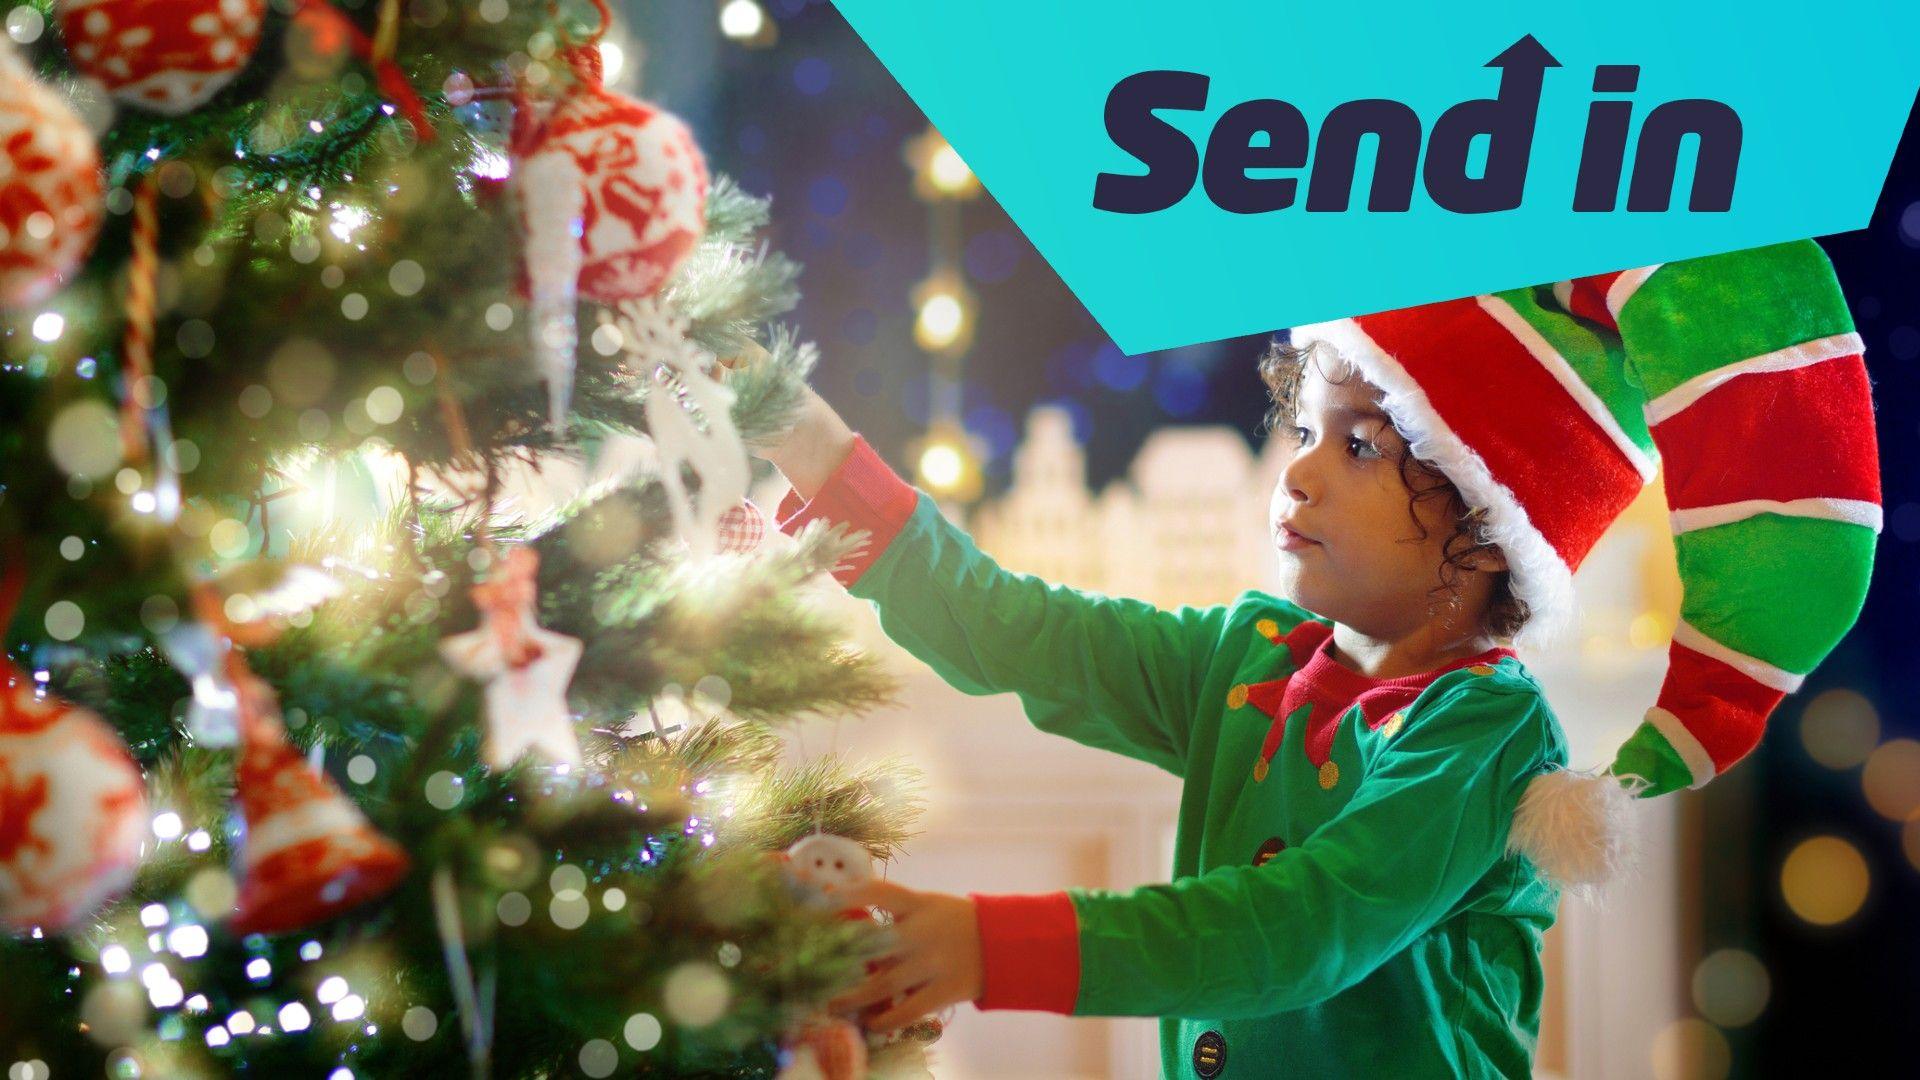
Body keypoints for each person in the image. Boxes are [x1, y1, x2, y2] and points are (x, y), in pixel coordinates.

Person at [755, 239, 1879, 1078]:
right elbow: (1015, 628)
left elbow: (1303, 927)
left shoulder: (1482, 729)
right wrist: (809, 449)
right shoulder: (1249, 659)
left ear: (1487, 531)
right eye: (1305, 433)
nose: (1297, 475)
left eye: (1356, 447)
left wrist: (986, 944)